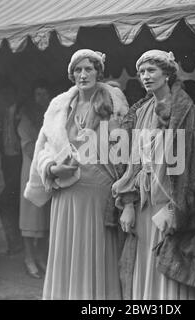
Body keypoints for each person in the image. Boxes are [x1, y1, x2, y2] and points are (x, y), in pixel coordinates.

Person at [112, 50, 195, 299]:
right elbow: (133, 163)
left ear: (167, 74)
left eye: (151, 70)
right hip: (145, 205)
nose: (145, 77)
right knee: (144, 268)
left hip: (171, 206)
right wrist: (128, 204)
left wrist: (175, 208)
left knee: (170, 270)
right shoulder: (141, 111)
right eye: (141, 72)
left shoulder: (186, 112)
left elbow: (193, 169)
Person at [24, 49, 128, 299]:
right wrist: (51, 168)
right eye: (78, 70)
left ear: (98, 72)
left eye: (88, 69)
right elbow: (44, 147)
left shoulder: (113, 102)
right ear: (72, 75)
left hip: (99, 190)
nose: (83, 75)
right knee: (67, 251)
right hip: (66, 190)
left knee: (95, 250)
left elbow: (124, 149)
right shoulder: (60, 106)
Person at [18, 80, 51, 279]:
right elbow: (30, 148)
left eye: (45, 94)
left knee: (45, 218)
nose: (42, 98)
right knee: (30, 218)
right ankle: (29, 257)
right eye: (38, 94)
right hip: (32, 171)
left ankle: (41, 257)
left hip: (48, 172)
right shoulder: (25, 121)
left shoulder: (52, 117)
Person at [0, 77, 23, 255]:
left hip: (20, 162)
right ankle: (15, 243)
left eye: (7, 93)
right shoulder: (2, 114)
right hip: (8, 162)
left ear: (13, 93)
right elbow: (1, 137)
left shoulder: (21, 111)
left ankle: (16, 242)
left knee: (5, 201)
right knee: (12, 201)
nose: (4, 97)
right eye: (2, 94)